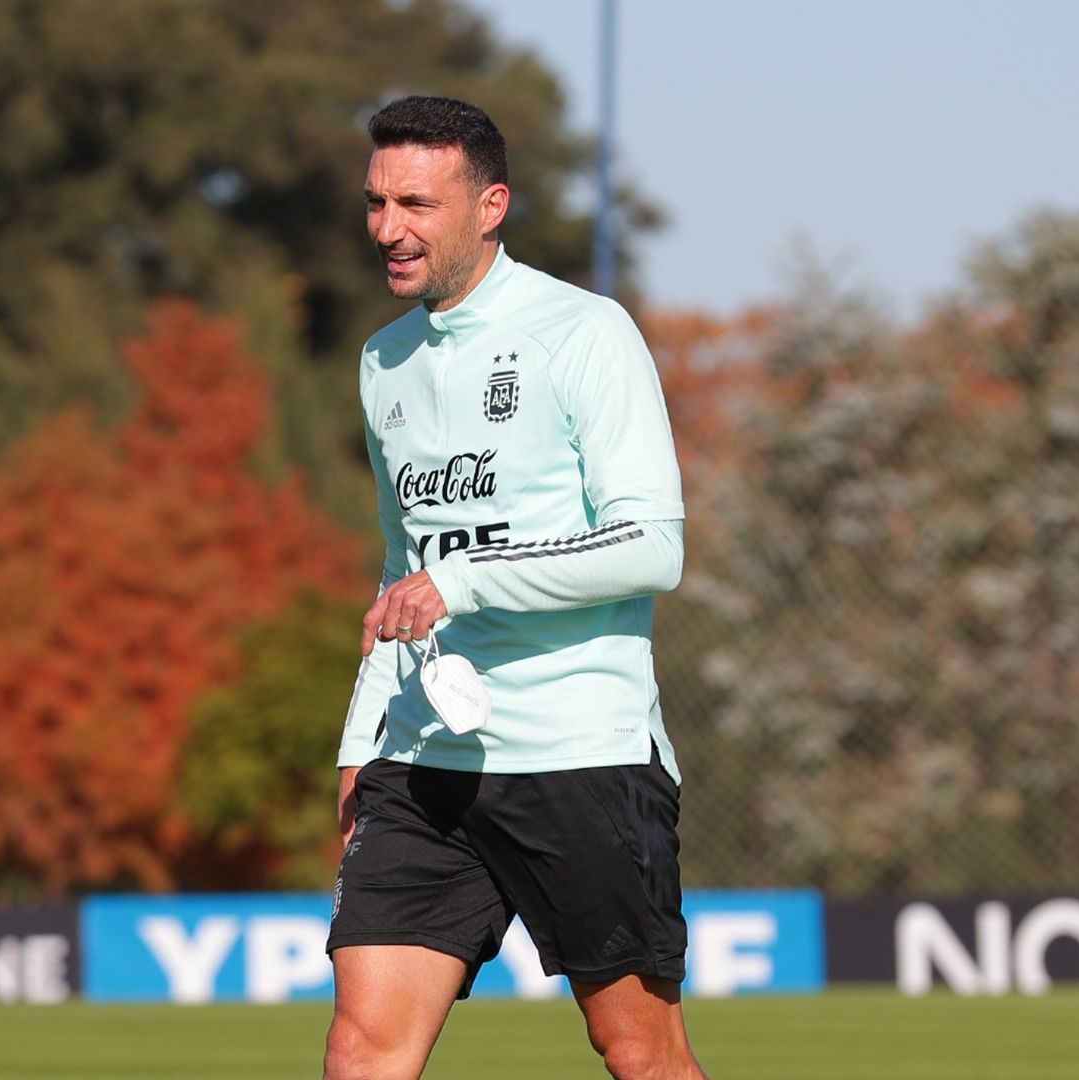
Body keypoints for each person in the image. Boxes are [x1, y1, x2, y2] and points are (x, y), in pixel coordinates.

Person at [323, 95, 708, 1080]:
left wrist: (467, 581)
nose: (387, 229)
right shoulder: (384, 361)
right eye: (376, 202)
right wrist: (364, 739)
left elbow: (648, 549)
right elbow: (399, 570)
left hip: (581, 751)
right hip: (425, 761)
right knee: (365, 1049)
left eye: (416, 202)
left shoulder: (584, 332)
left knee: (639, 1053)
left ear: (490, 204)